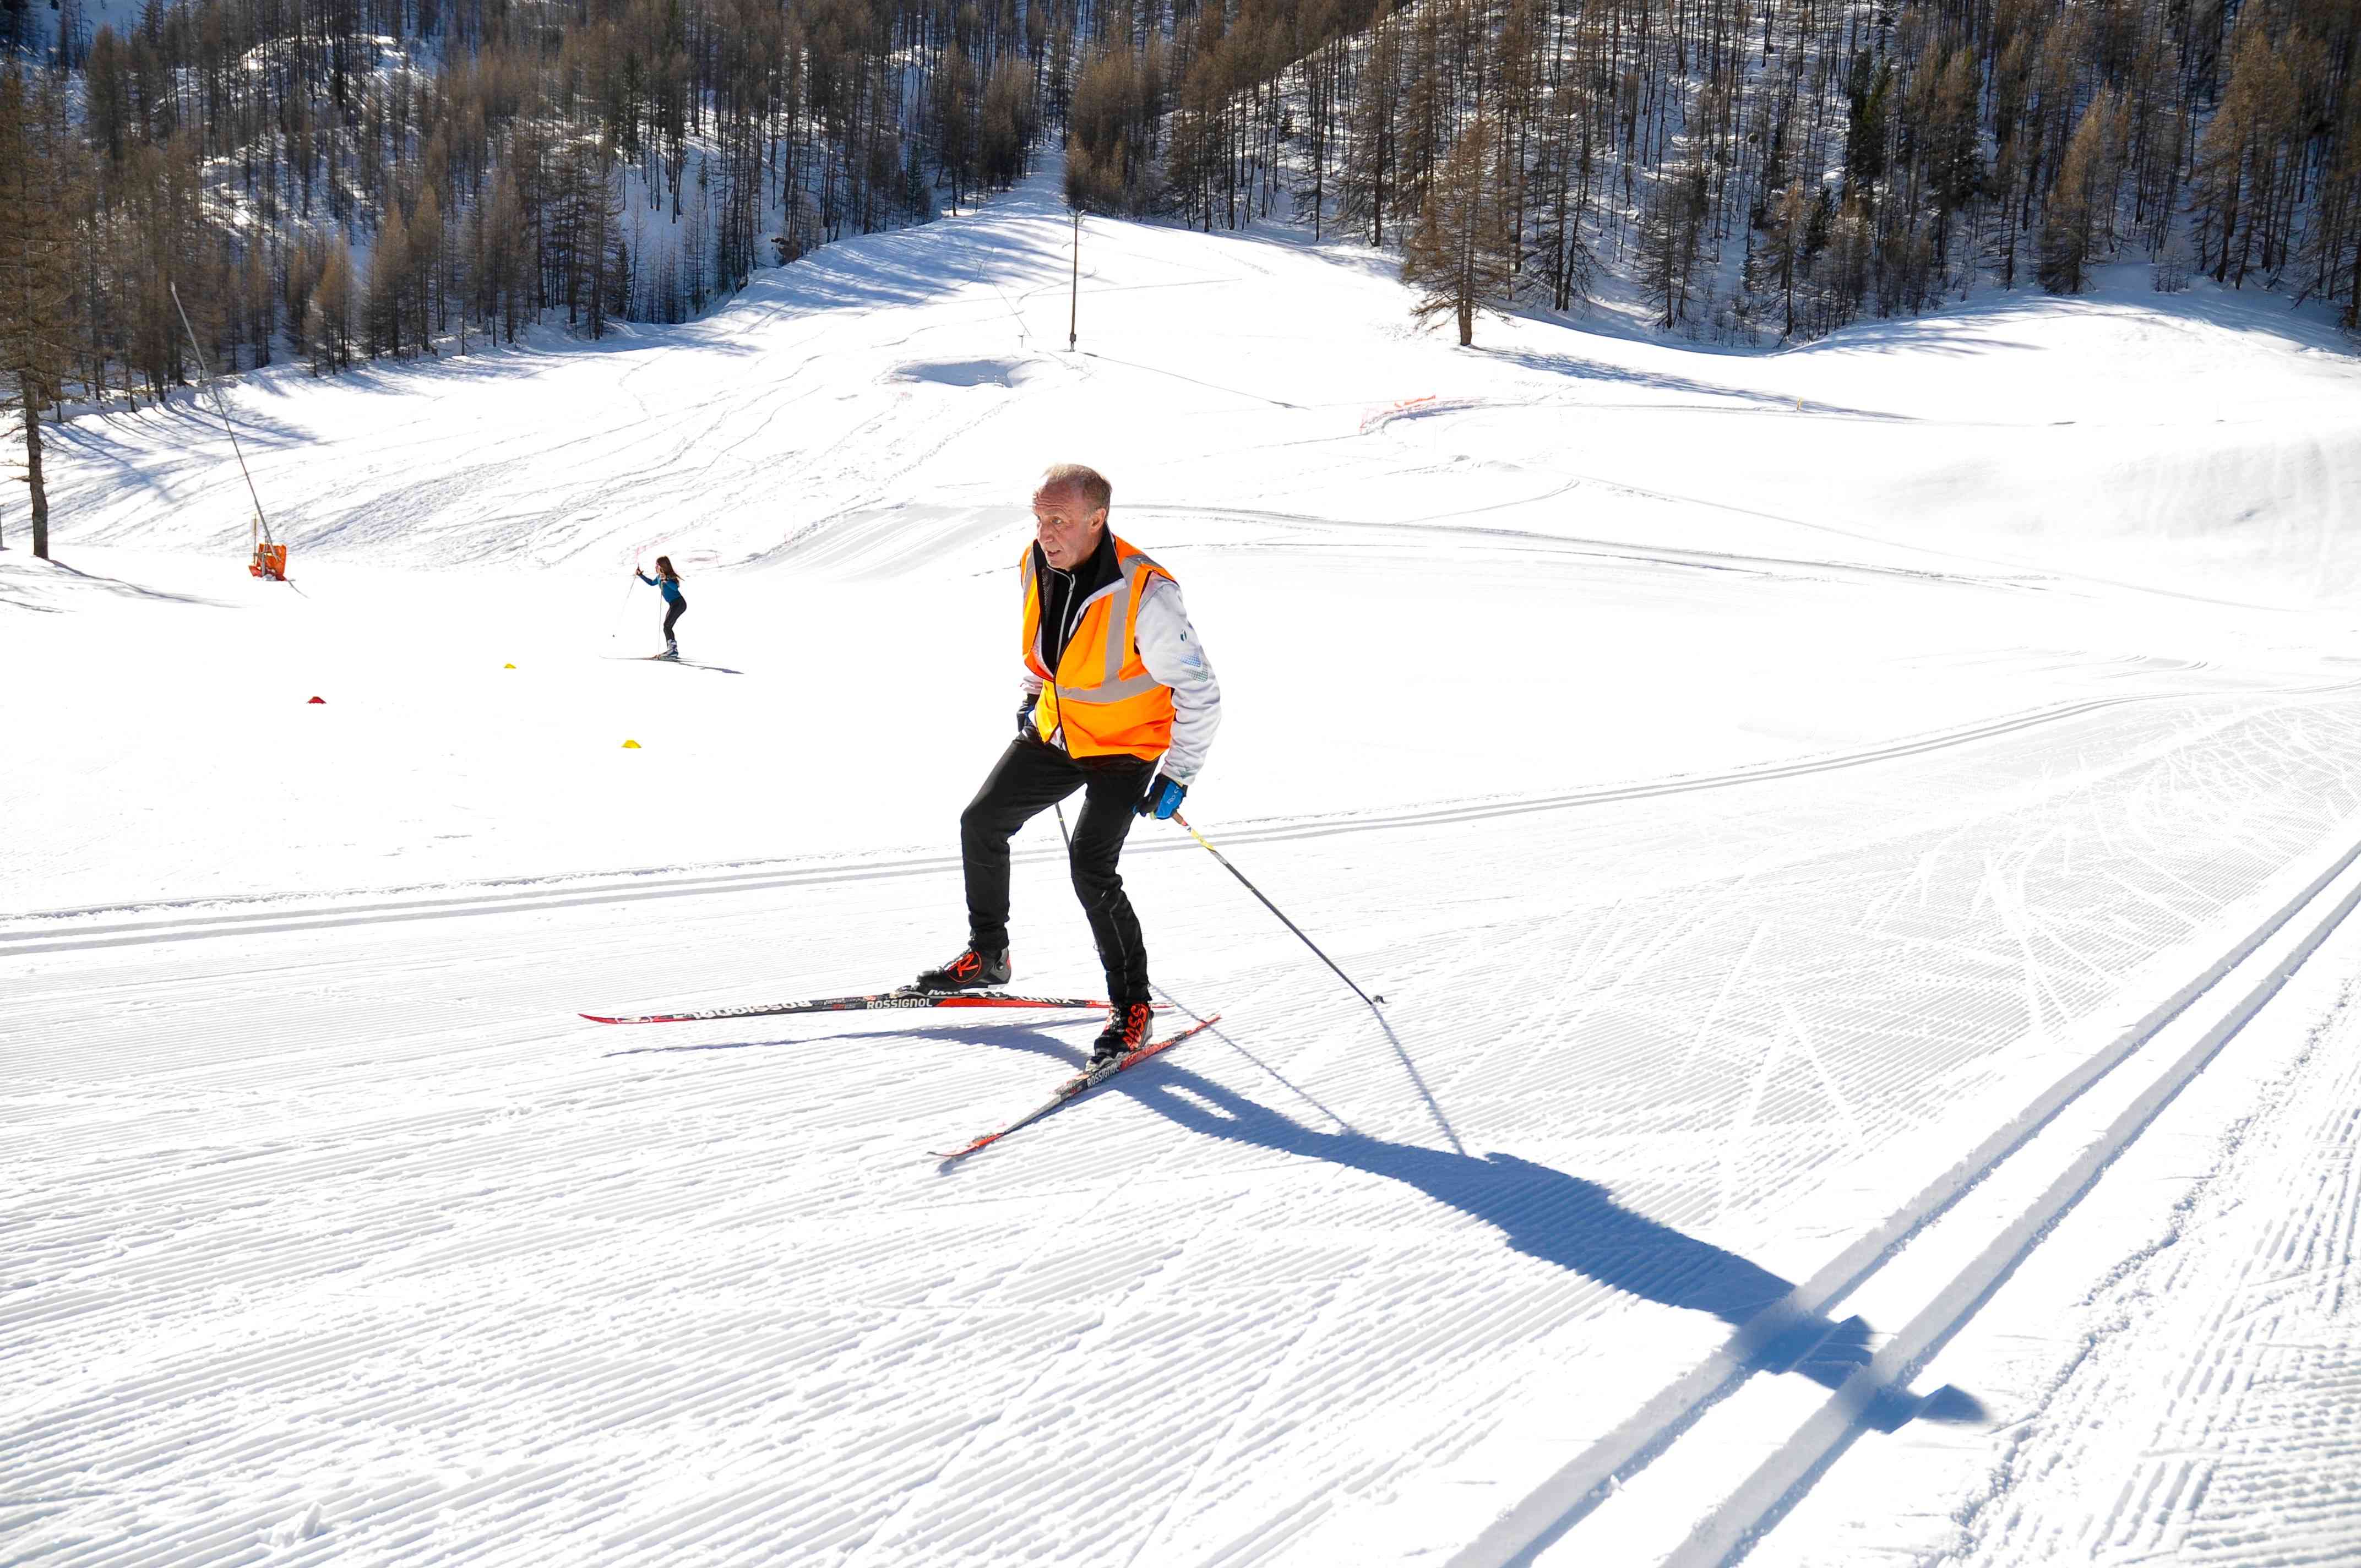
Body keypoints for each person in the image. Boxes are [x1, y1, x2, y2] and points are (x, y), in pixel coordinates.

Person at [916, 463, 1223, 1067]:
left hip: (1125, 747)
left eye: (1058, 520)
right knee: (981, 822)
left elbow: (1200, 691)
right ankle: (989, 955)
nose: (1045, 532)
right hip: (1059, 732)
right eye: (1039, 518)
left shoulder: (1147, 592)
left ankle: (1133, 1006)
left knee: (1091, 868)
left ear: (1097, 519)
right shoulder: (1034, 561)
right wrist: (1034, 695)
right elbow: (1048, 644)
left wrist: (1179, 773)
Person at [635, 557, 687, 658]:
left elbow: (675, 587)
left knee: (667, 626)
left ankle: (672, 651)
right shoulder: (659, 577)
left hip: (679, 604)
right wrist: (640, 575)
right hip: (674, 605)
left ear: (663, 566)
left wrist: (666, 580)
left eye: (657, 565)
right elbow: (652, 583)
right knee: (667, 626)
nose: (656, 567)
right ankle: (672, 650)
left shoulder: (670, 576)